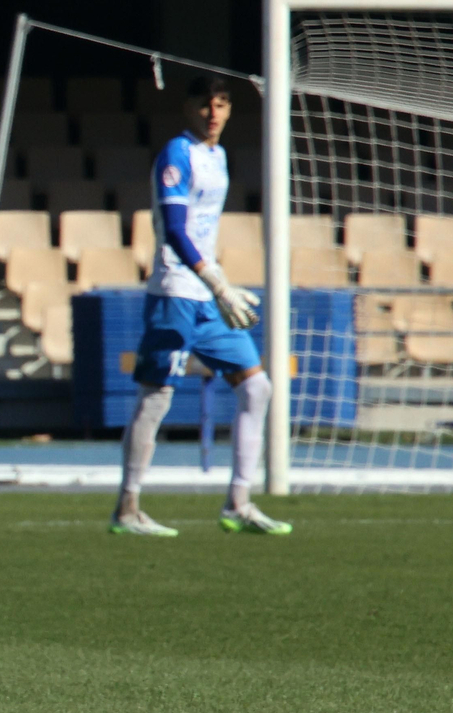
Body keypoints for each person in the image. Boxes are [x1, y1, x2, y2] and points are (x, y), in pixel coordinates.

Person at [111, 76, 291, 537]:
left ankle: (238, 503)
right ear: (187, 107)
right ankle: (127, 510)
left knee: (257, 388)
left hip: (209, 295)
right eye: (205, 104)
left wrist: (218, 284)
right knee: (156, 396)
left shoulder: (219, 156)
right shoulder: (178, 154)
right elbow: (174, 230)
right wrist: (216, 280)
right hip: (176, 292)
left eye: (222, 104)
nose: (213, 113)